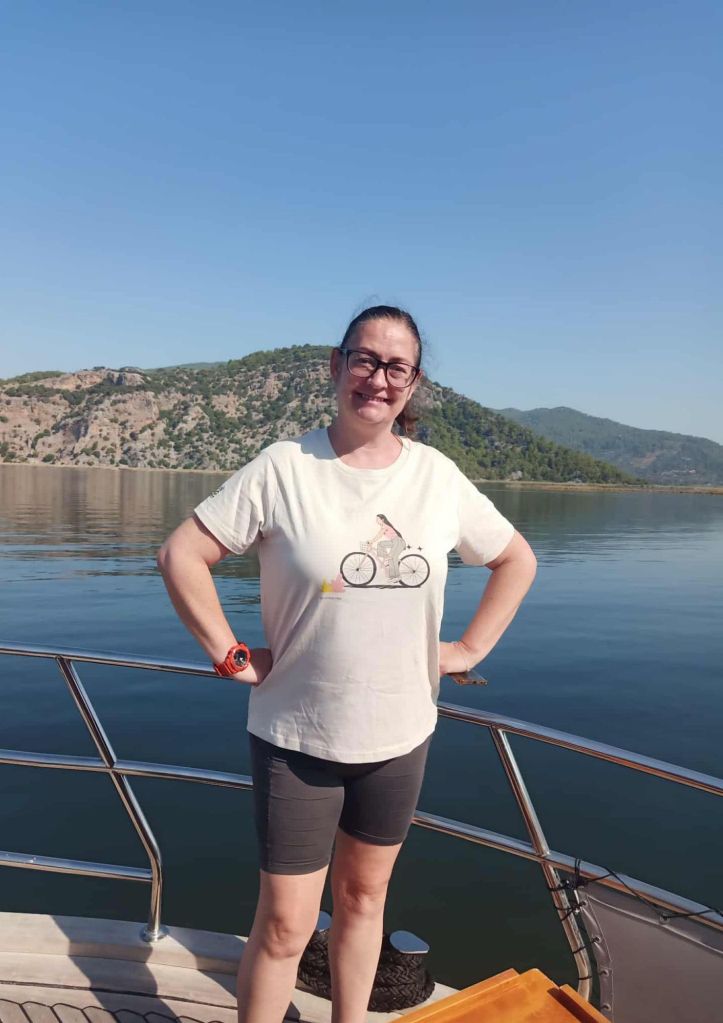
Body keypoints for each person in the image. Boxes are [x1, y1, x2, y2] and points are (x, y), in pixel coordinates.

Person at [157, 305, 537, 1023]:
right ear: (336, 366)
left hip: (400, 735)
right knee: (284, 925)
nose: (378, 378)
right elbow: (182, 554)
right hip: (297, 738)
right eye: (365, 359)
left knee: (363, 902)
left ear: (413, 382)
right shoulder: (285, 467)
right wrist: (229, 655)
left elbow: (516, 558)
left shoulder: (437, 476)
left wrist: (466, 650)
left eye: (397, 367)